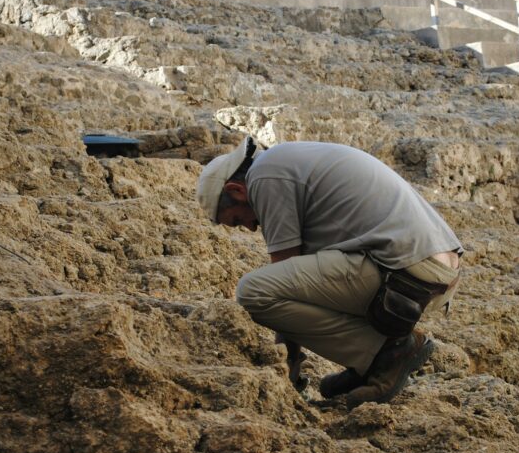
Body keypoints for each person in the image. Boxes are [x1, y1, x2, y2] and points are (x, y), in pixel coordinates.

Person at [196, 138, 463, 408]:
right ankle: (370, 365)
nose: (251, 228)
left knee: (253, 292)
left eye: (238, 220)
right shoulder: (286, 162)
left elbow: (281, 280)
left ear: (236, 190)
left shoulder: (264, 178)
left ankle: (385, 355)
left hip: (406, 272)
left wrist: (287, 377)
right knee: (301, 286)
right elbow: (300, 279)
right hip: (437, 272)